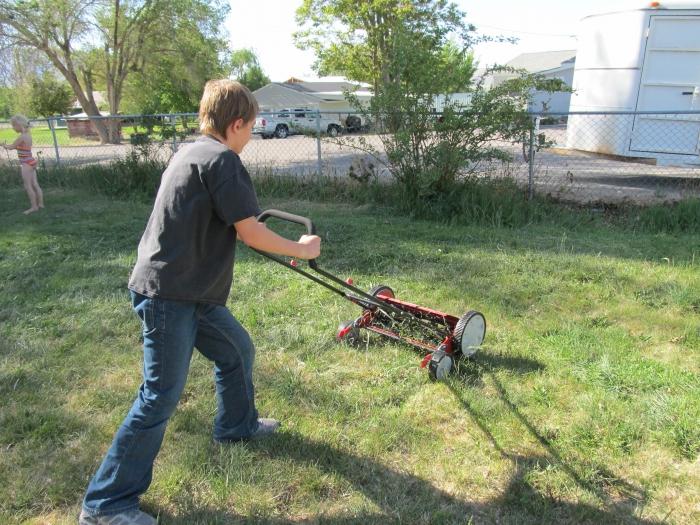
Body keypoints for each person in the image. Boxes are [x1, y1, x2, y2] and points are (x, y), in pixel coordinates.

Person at [79, 79, 321, 525]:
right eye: (252, 126)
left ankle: (236, 426)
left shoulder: (192, 153)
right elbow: (251, 233)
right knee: (159, 397)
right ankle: (105, 504)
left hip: (190, 290)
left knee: (235, 350)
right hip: (171, 295)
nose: (252, 135)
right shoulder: (223, 160)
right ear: (236, 124)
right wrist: (302, 249)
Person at [3, 114, 44, 214]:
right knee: (35, 184)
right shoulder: (28, 136)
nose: (13, 128)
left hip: (26, 163)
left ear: (19, 125)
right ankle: (41, 204)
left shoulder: (21, 137)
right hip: (32, 161)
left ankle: (34, 207)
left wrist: (4, 145)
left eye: (13, 126)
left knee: (28, 186)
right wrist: (6, 145)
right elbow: (18, 147)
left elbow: (12, 147)